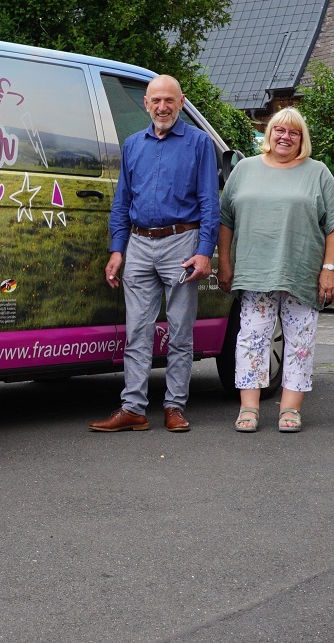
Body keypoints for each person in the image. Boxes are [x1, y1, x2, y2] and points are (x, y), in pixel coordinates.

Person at [90, 74, 219, 433]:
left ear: (181, 102)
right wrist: (118, 250)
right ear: (146, 104)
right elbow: (122, 202)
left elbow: (210, 202)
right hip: (139, 244)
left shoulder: (199, 143)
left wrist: (205, 252)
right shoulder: (132, 144)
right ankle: (133, 408)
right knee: (137, 332)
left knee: (179, 332)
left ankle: (174, 407)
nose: (162, 107)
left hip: (182, 243)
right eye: (156, 100)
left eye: (169, 100)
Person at [217, 108, 334, 433]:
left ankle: (290, 409)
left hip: (301, 273)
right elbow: (226, 220)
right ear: (269, 133)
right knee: (251, 340)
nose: (285, 137)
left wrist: (329, 269)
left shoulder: (318, 173)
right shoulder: (245, 169)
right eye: (279, 130)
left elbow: (332, 226)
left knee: (300, 342)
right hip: (254, 274)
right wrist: (224, 262)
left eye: (293, 133)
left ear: (302, 139)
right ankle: (249, 408)